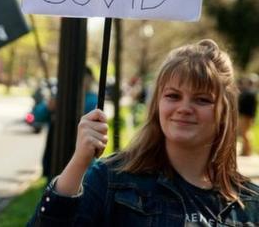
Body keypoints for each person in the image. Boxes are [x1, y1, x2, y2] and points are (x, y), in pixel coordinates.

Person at [28, 40, 259, 226]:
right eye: (173, 96)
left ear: (224, 112)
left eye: (202, 99)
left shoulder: (250, 204)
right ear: (157, 104)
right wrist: (78, 162)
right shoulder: (112, 181)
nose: (184, 108)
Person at [238, 76, 258, 156]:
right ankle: (245, 150)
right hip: (247, 116)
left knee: (245, 133)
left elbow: (248, 106)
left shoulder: (249, 93)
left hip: (246, 116)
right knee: (245, 133)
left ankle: (247, 151)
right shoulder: (251, 92)